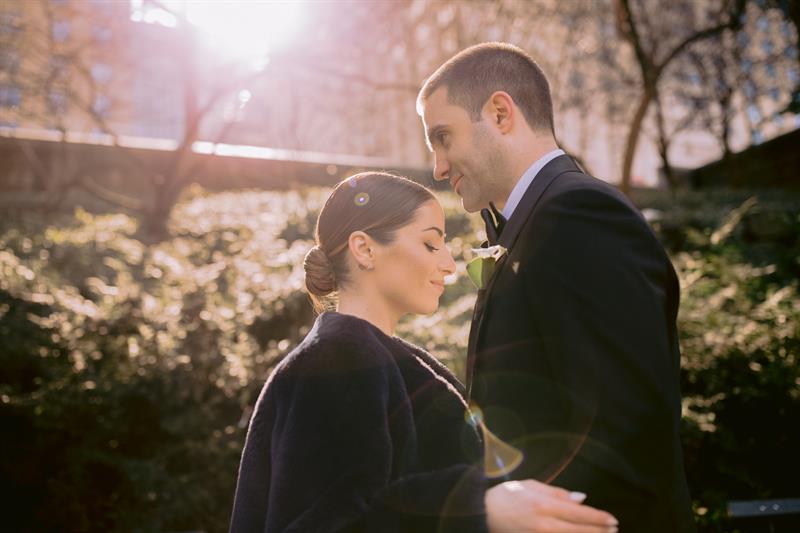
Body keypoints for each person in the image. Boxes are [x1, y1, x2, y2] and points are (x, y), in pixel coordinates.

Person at [229, 172, 619, 533]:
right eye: (431, 243)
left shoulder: (376, 359)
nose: (449, 264)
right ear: (364, 249)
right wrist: (480, 508)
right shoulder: (335, 363)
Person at [416, 43, 695, 532]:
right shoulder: (531, 222)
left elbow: (627, 433)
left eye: (443, 137)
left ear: (501, 113)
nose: (438, 166)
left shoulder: (579, 217)